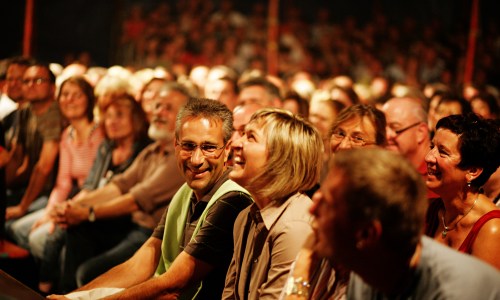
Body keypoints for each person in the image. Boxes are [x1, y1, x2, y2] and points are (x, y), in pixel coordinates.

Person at [48, 98, 253, 299]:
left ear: (227, 150)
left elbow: (173, 285)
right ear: (176, 146)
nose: (196, 159)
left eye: (209, 147)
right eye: (188, 146)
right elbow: (141, 263)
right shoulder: (186, 191)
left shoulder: (232, 199)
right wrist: (73, 297)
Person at [310, 148, 500, 299]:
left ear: (367, 234)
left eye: (327, 203)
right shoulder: (369, 268)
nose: (312, 209)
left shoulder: (454, 292)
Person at [54, 82, 189, 292]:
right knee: (77, 232)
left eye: (168, 108)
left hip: (151, 236)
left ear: (186, 118)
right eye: (157, 106)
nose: (159, 112)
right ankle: (62, 295)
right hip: (132, 227)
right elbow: (119, 186)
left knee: (88, 272)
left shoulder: (179, 158)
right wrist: (72, 206)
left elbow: (135, 199)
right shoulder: (153, 150)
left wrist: (88, 213)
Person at [36, 93, 150, 294]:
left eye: (119, 115)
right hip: (96, 212)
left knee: (66, 230)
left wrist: (82, 211)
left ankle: (51, 287)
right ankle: (59, 291)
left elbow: (127, 196)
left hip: (124, 219)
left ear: (136, 119)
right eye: (109, 116)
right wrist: (67, 208)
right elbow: (90, 185)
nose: (112, 121)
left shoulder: (144, 150)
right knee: (67, 227)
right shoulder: (107, 146)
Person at [281, 104, 387, 300]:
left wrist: (305, 260)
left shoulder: (374, 207)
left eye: (358, 138)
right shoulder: (331, 191)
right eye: (339, 133)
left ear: (381, 148)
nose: (344, 145)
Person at [223, 108, 322, 299]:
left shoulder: (294, 228)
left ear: (280, 158)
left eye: (251, 137)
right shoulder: (246, 217)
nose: (235, 143)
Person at [7, 76, 104, 251]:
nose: (70, 100)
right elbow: (63, 183)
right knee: (18, 229)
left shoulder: (100, 133)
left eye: (77, 95)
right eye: (65, 94)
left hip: (92, 203)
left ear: (89, 100)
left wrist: (59, 213)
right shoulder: (67, 134)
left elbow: (95, 185)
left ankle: (49, 278)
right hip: (70, 199)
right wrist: (49, 213)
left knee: (37, 238)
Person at [424, 113, 500, 269]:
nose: (428, 157)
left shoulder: (492, 229)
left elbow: (482, 292)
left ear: (472, 171)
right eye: (432, 147)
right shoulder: (430, 210)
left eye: (442, 152)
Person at [4, 62, 63, 221]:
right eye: (27, 81)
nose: (31, 85)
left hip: (53, 191)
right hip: (32, 187)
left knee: (11, 224)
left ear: (52, 87)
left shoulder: (54, 114)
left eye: (38, 80)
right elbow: (16, 157)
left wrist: (22, 207)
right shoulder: (25, 111)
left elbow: (43, 167)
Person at [382, 97, 439, 199]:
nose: (386, 135)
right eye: (382, 128)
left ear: (420, 132)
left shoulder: (437, 174)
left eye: (395, 127)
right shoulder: (385, 169)